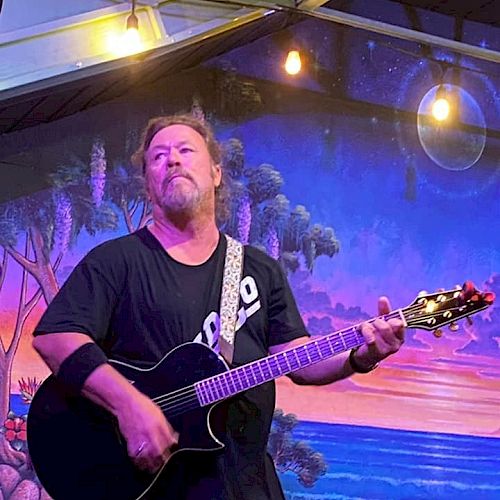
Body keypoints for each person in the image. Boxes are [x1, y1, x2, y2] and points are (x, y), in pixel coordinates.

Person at [32, 114, 405, 499]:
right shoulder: (116, 261)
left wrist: (360, 356)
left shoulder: (257, 268)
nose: (172, 160)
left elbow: (297, 358)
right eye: (158, 156)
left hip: (244, 483)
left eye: (185, 150)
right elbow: (56, 338)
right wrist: (130, 406)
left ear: (215, 173)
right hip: (155, 486)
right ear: (148, 184)